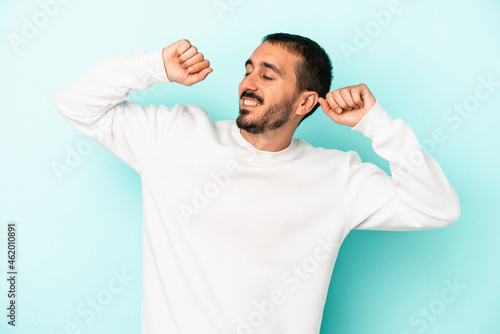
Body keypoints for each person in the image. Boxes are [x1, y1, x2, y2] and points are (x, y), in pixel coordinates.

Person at [54, 33, 460, 334]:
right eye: (248, 70)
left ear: (304, 102)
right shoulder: (174, 135)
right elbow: (75, 104)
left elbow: (436, 207)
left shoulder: (337, 177)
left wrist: (378, 125)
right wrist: (154, 66)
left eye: (268, 75)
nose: (249, 83)